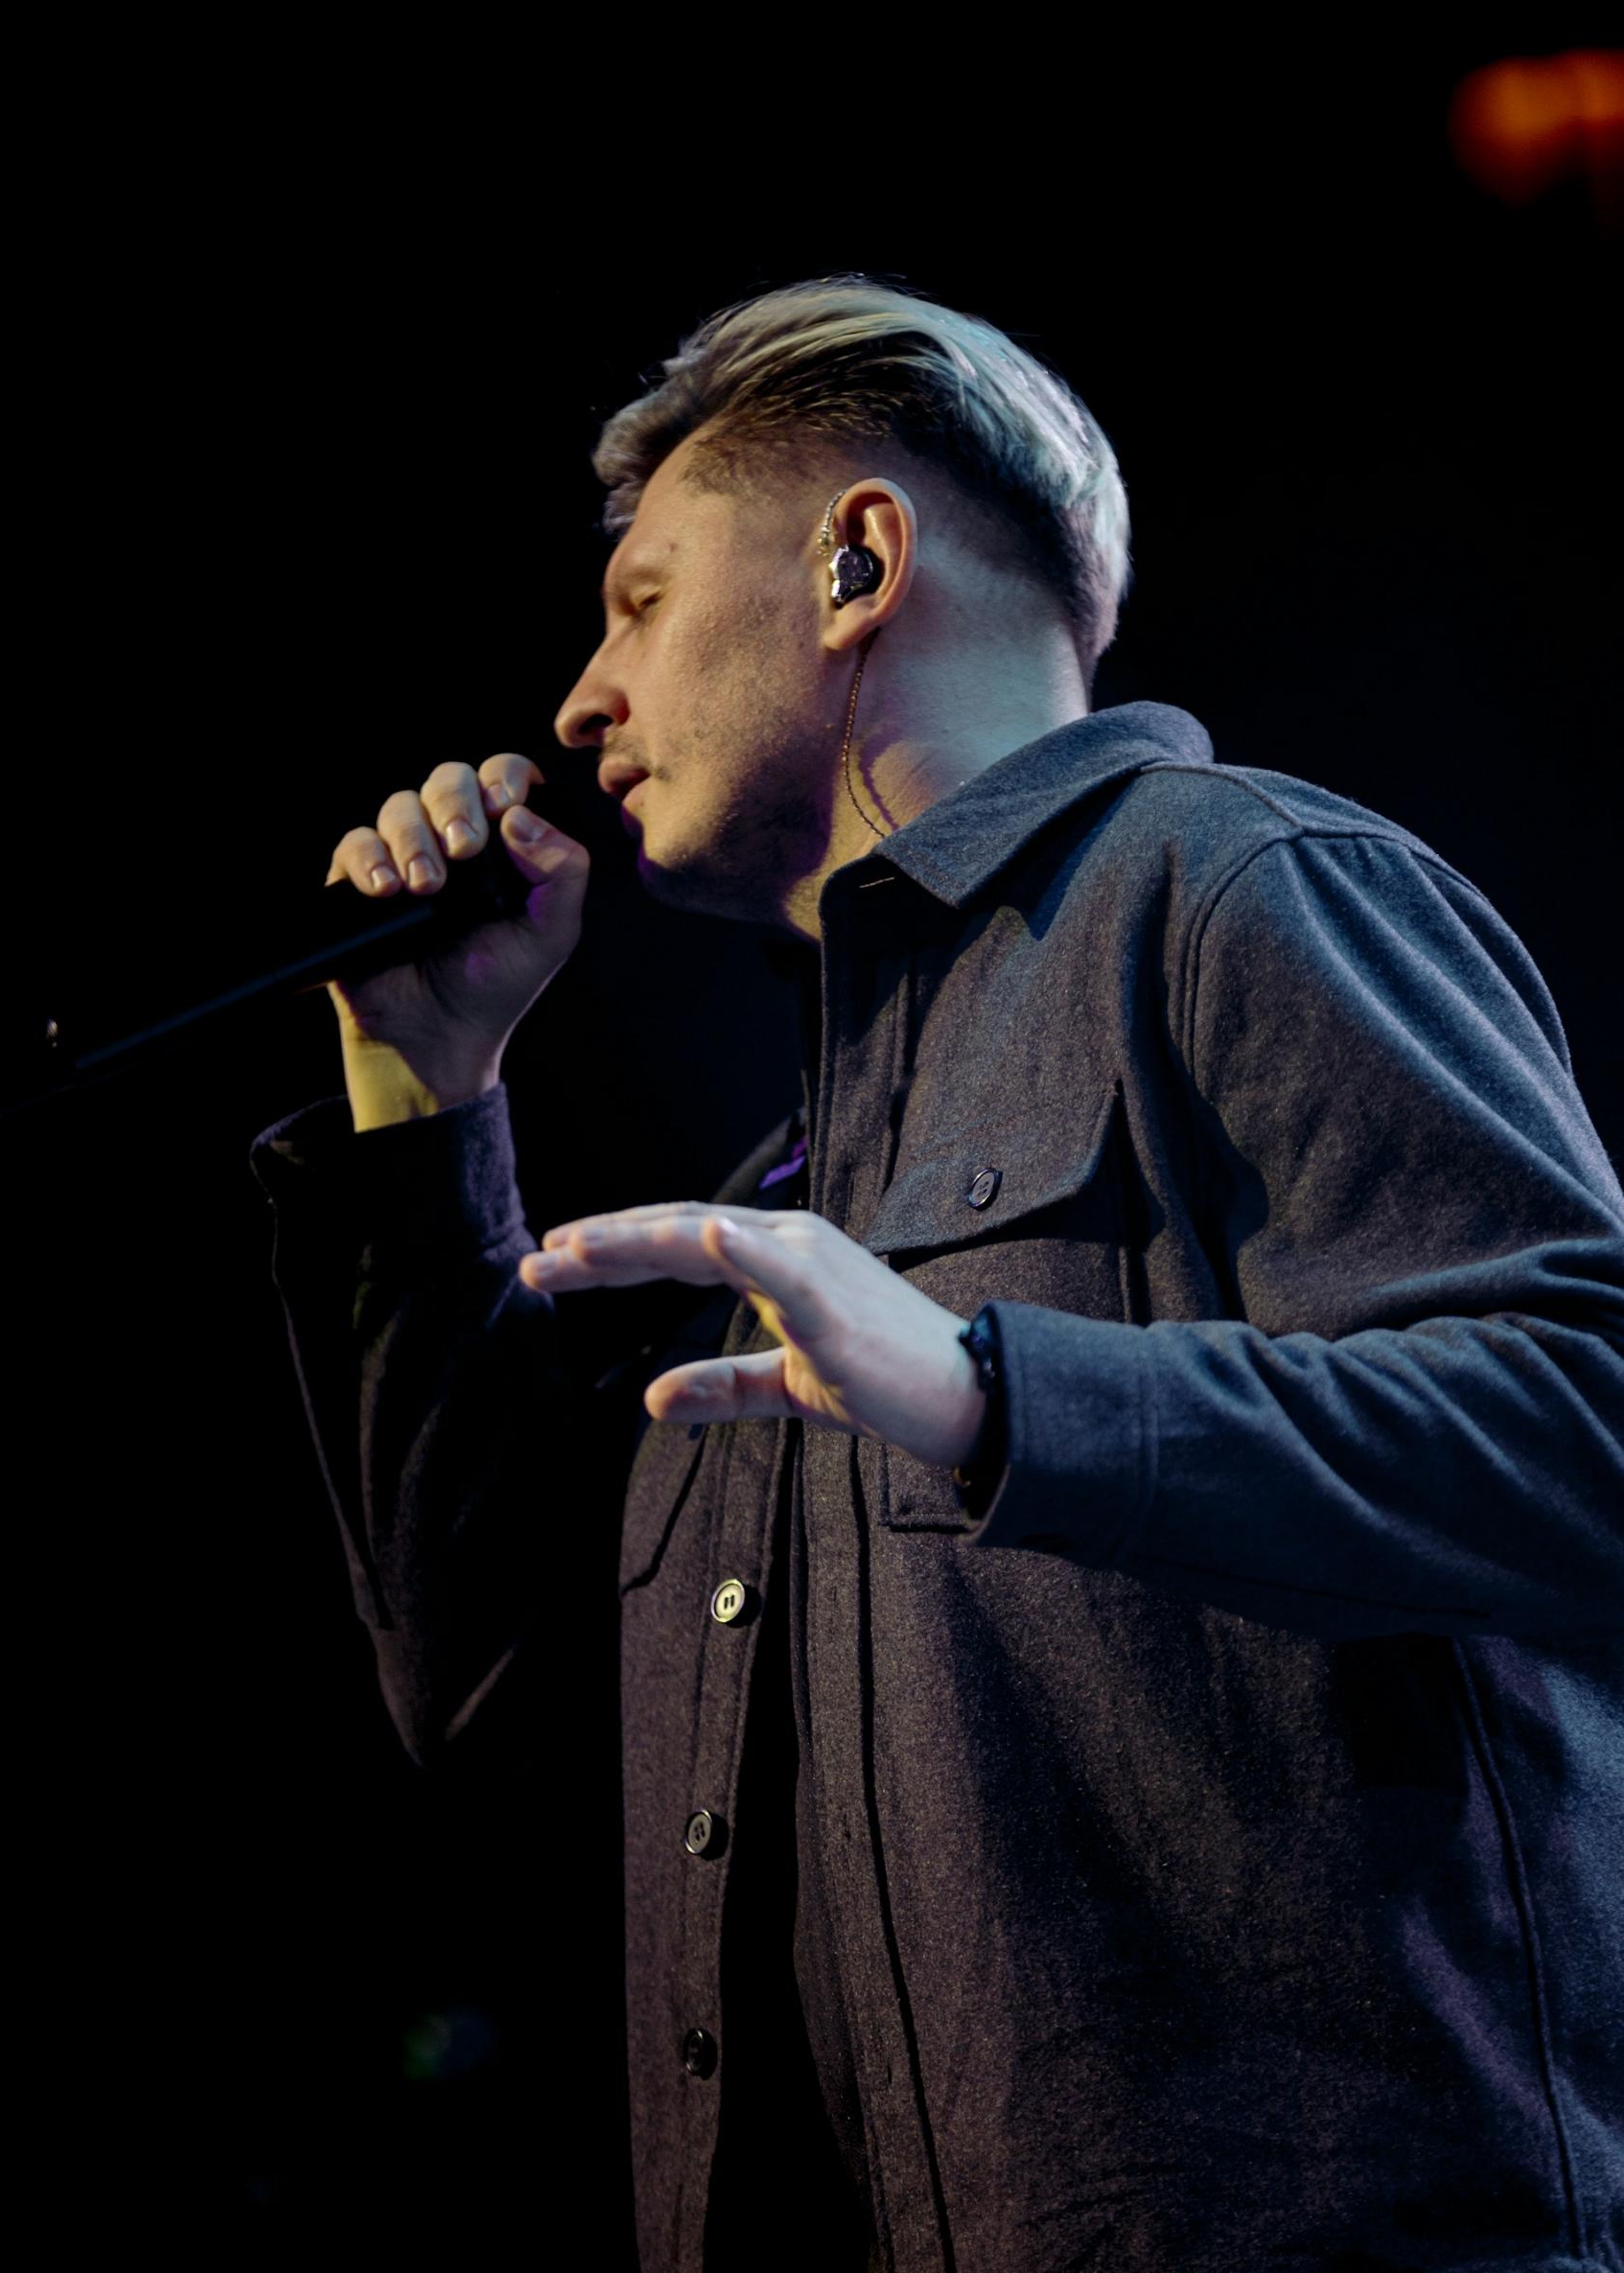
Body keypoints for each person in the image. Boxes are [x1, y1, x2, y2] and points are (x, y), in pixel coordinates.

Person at [250, 274, 1624, 2270]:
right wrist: (419, 1095)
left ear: (854, 555)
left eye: (637, 596)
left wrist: (995, 1388)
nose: (577, 698)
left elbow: (1583, 1426)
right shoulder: (790, 1190)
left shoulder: (1233, 886)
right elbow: (478, 1699)